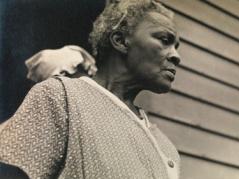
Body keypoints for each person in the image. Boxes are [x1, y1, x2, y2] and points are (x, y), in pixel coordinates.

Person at [0, 0, 181, 178]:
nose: (176, 56)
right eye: (165, 40)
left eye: (176, 46)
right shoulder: (60, 98)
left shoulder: (166, 147)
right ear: (121, 41)